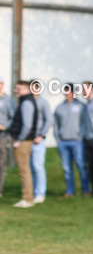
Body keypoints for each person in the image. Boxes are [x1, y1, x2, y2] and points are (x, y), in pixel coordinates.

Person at [54, 83, 90, 197]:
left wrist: (80, 137)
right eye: (65, 92)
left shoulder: (81, 106)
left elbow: (85, 123)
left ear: (73, 93)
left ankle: (85, 190)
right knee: (67, 168)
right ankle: (70, 191)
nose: (67, 94)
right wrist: (58, 138)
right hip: (63, 142)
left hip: (77, 142)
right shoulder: (59, 108)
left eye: (69, 92)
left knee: (81, 165)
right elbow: (55, 124)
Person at [9, 80, 40, 208]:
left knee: (24, 170)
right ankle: (27, 197)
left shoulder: (26, 102)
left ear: (27, 89)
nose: (16, 91)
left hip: (24, 141)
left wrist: (20, 140)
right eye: (16, 89)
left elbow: (27, 124)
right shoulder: (25, 101)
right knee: (24, 169)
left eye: (19, 89)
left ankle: (27, 199)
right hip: (24, 140)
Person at [29, 80, 52, 202]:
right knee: (30, 167)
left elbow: (48, 120)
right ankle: (31, 191)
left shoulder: (43, 102)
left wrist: (41, 135)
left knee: (38, 166)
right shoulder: (26, 102)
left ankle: (40, 193)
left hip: (38, 140)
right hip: (27, 140)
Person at [0, 79, 13, 196]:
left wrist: (4, 126)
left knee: (1, 163)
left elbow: (13, 118)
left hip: (2, 136)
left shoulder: (8, 100)